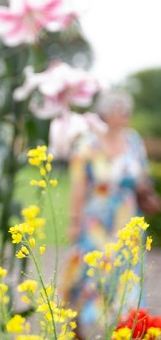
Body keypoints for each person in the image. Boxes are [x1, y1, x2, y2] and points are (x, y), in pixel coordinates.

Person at [60, 88, 153, 338]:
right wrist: (74, 222)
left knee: (127, 273)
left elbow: (142, 174)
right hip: (95, 223)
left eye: (128, 111)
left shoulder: (133, 140)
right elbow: (79, 186)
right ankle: (90, 327)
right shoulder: (87, 143)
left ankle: (126, 327)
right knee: (95, 272)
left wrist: (145, 189)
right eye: (121, 110)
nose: (126, 116)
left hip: (127, 221)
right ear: (107, 113)